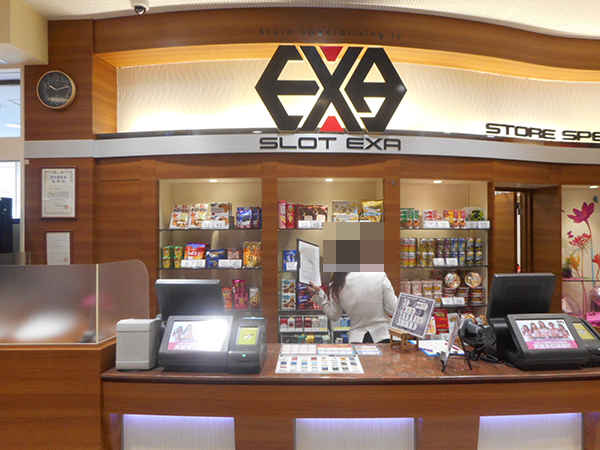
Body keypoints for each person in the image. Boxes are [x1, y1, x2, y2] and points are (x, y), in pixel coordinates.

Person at [309, 272, 398, 344]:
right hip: (384, 337)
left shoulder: (336, 285)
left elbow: (334, 316)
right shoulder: (379, 276)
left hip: (358, 340)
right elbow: (394, 310)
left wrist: (320, 294)